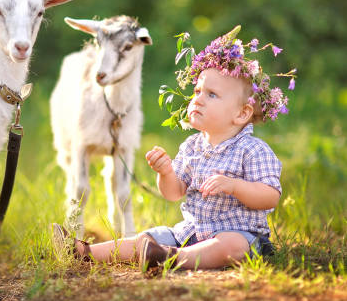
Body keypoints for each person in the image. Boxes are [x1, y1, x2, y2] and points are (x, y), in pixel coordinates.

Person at [52, 26, 296, 270]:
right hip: (189, 233)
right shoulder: (191, 146)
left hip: (240, 233)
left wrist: (234, 186)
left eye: (211, 95)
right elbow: (174, 193)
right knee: (145, 238)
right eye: (197, 91)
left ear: (242, 113)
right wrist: (166, 173)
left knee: (231, 246)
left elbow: (270, 196)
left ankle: (169, 258)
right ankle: (85, 251)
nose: (197, 99)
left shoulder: (253, 150)